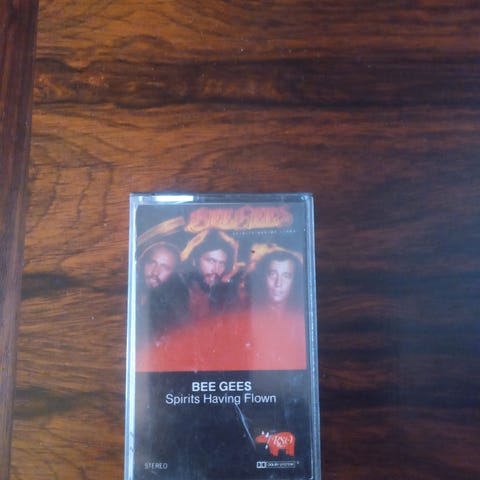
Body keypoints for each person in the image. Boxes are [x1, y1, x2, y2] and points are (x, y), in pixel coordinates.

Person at [181, 229, 240, 320]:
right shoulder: (178, 293)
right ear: (194, 260)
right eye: (211, 261)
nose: (216, 270)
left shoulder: (224, 299)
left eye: (222, 263)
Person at [137, 241, 188, 343]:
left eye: (165, 267)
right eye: (152, 263)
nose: (155, 272)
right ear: (142, 264)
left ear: (172, 275)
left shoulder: (172, 313)